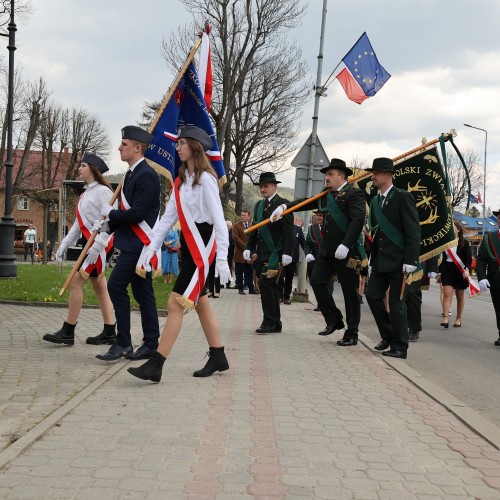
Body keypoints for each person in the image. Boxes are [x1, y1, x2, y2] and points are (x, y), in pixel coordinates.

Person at [127, 125, 231, 383]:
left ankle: (156, 364)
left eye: (182, 142)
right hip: (189, 243)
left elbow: (219, 220)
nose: (178, 147)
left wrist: (222, 257)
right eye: (177, 143)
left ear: (195, 146)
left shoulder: (206, 179)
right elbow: (167, 219)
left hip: (203, 248)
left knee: (175, 302)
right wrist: (151, 247)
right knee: (200, 301)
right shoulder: (180, 181)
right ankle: (218, 354)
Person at [271, 158, 366, 346]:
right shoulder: (326, 194)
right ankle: (334, 319)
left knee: (349, 293)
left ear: (342, 176)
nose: (326, 178)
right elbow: (307, 202)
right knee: (316, 281)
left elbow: (357, 221)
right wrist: (285, 207)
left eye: (330, 174)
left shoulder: (355, 194)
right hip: (328, 250)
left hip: (347, 252)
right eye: (326, 175)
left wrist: (346, 244)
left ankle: (352, 332)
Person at [93, 125, 161, 361]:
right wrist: (106, 226)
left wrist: (110, 214)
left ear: (137, 148)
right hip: (131, 243)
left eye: (124, 144)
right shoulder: (131, 174)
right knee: (144, 294)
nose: (119, 148)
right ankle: (151, 343)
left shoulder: (147, 176)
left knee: (115, 286)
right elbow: (126, 213)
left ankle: (123, 343)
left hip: (139, 246)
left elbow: (138, 214)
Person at [42, 154, 116, 346]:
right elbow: (78, 223)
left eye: (83, 165)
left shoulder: (103, 192)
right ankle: (110, 330)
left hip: (99, 245)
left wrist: (100, 244)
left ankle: (68, 330)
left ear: (92, 169)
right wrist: (65, 242)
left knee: (75, 284)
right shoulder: (85, 194)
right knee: (100, 288)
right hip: (88, 243)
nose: (79, 169)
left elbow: (112, 220)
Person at [364, 157, 420, 359]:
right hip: (380, 261)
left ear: (387, 175)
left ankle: (400, 347)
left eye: (376, 173)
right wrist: (371, 261)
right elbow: (377, 234)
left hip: (399, 261)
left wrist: (411, 260)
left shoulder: (402, 197)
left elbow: (413, 231)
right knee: (372, 296)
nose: (373, 177)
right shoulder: (375, 200)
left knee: (397, 304)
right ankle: (388, 335)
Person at [244, 172, 294, 334]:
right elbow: (255, 229)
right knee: (270, 288)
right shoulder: (259, 205)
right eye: (261, 186)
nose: (263, 189)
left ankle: (268, 321)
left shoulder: (283, 204)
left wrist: (288, 252)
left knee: (265, 284)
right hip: (263, 253)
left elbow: (288, 231)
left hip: (276, 254)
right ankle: (276, 323)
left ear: (274, 187)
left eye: (266, 186)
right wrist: (248, 247)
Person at [436, 221, 472, 328]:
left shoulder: (464, 243)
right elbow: (441, 259)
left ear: (458, 229)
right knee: (447, 293)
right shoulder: (445, 242)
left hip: (460, 271)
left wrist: (467, 270)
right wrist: (439, 272)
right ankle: (445, 317)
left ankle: (458, 318)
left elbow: (468, 259)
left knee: (460, 296)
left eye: (453, 227)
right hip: (447, 269)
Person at [476, 209, 500, 346]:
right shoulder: (489, 237)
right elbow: (481, 260)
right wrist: (481, 277)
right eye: (499, 218)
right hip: (495, 280)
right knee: (499, 310)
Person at [278, 221, 305, 304]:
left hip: (293, 259)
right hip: (281, 258)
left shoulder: (298, 229)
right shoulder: (280, 228)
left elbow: (303, 243)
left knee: (289, 279)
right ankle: (279, 296)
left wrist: (308, 253)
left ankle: (286, 297)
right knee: (280, 277)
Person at [233, 210, 257, 295]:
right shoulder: (236, 225)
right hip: (240, 252)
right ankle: (240, 288)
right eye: (242, 215)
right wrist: (246, 247)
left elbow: (254, 238)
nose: (242, 216)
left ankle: (251, 288)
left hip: (249, 254)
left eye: (244, 215)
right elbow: (236, 238)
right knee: (240, 271)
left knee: (249, 271)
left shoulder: (251, 226)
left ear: (248, 217)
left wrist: (252, 250)